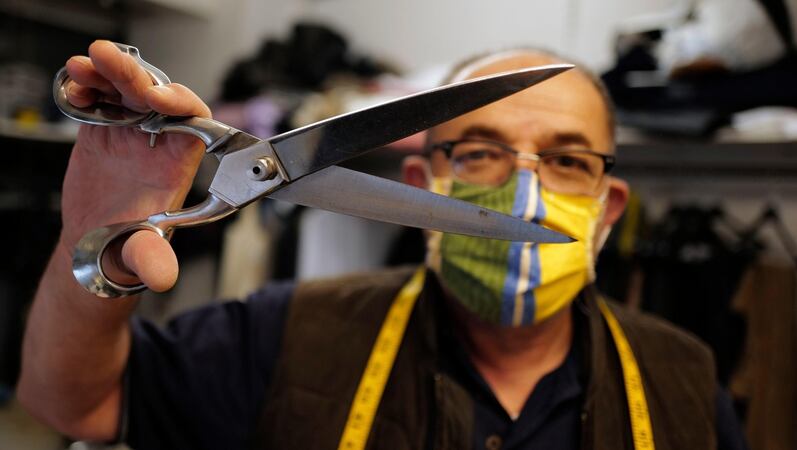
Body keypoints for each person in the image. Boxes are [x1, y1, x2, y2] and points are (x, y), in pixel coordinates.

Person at [17, 40, 747, 450]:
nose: (524, 192)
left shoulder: (682, 381)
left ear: (609, 205)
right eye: (480, 153)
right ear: (422, 180)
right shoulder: (286, 336)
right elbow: (69, 403)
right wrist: (93, 245)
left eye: (566, 161)